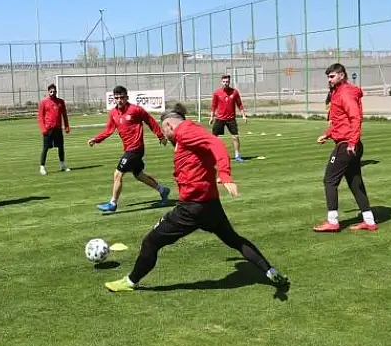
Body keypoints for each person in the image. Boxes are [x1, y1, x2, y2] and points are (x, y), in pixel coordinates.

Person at [104, 102, 289, 292]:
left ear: (169, 125)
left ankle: (130, 282)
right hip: (211, 205)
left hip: (191, 209)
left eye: (164, 131)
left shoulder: (185, 131)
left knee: (150, 241)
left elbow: (216, 143)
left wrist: (225, 174)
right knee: (234, 240)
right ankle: (270, 271)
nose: (164, 135)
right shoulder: (188, 132)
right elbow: (208, 149)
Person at [88, 85, 171, 212]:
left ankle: (113, 203)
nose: (119, 100)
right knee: (139, 175)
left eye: (122, 97)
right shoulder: (113, 113)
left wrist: (160, 136)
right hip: (128, 149)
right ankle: (162, 190)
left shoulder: (135, 110)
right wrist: (96, 139)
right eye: (117, 98)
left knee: (118, 174)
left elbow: (150, 120)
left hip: (136, 148)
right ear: (114, 99)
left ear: (126, 97)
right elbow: (108, 130)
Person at [314, 63, 376, 232]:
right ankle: (369, 221)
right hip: (349, 143)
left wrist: (352, 142)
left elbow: (355, 118)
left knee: (329, 180)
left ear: (341, 75)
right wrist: (327, 134)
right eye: (328, 77)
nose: (329, 80)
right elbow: (341, 121)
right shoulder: (338, 92)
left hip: (347, 145)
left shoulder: (345, 93)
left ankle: (332, 222)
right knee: (355, 183)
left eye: (332, 76)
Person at [210, 74, 247, 162]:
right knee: (214, 137)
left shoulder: (234, 92)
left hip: (231, 119)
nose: (225, 83)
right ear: (221, 82)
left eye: (227, 81)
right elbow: (213, 106)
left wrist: (243, 115)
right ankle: (214, 156)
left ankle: (237, 156)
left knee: (235, 137)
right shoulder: (217, 93)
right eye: (224, 81)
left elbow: (239, 104)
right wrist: (211, 117)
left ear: (229, 82)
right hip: (220, 118)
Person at [38, 83, 71, 175]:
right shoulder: (44, 102)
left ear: (56, 91)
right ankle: (42, 167)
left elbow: (64, 115)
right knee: (45, 148)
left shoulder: (61, 102)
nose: (53, 93)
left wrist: (67, 126)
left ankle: (63, 165)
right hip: (48, 129)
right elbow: (40, 117)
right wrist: (43, 129)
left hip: (58, 128)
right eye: (51, 91)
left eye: (54, 91)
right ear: (48, 92)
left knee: (61, 147)